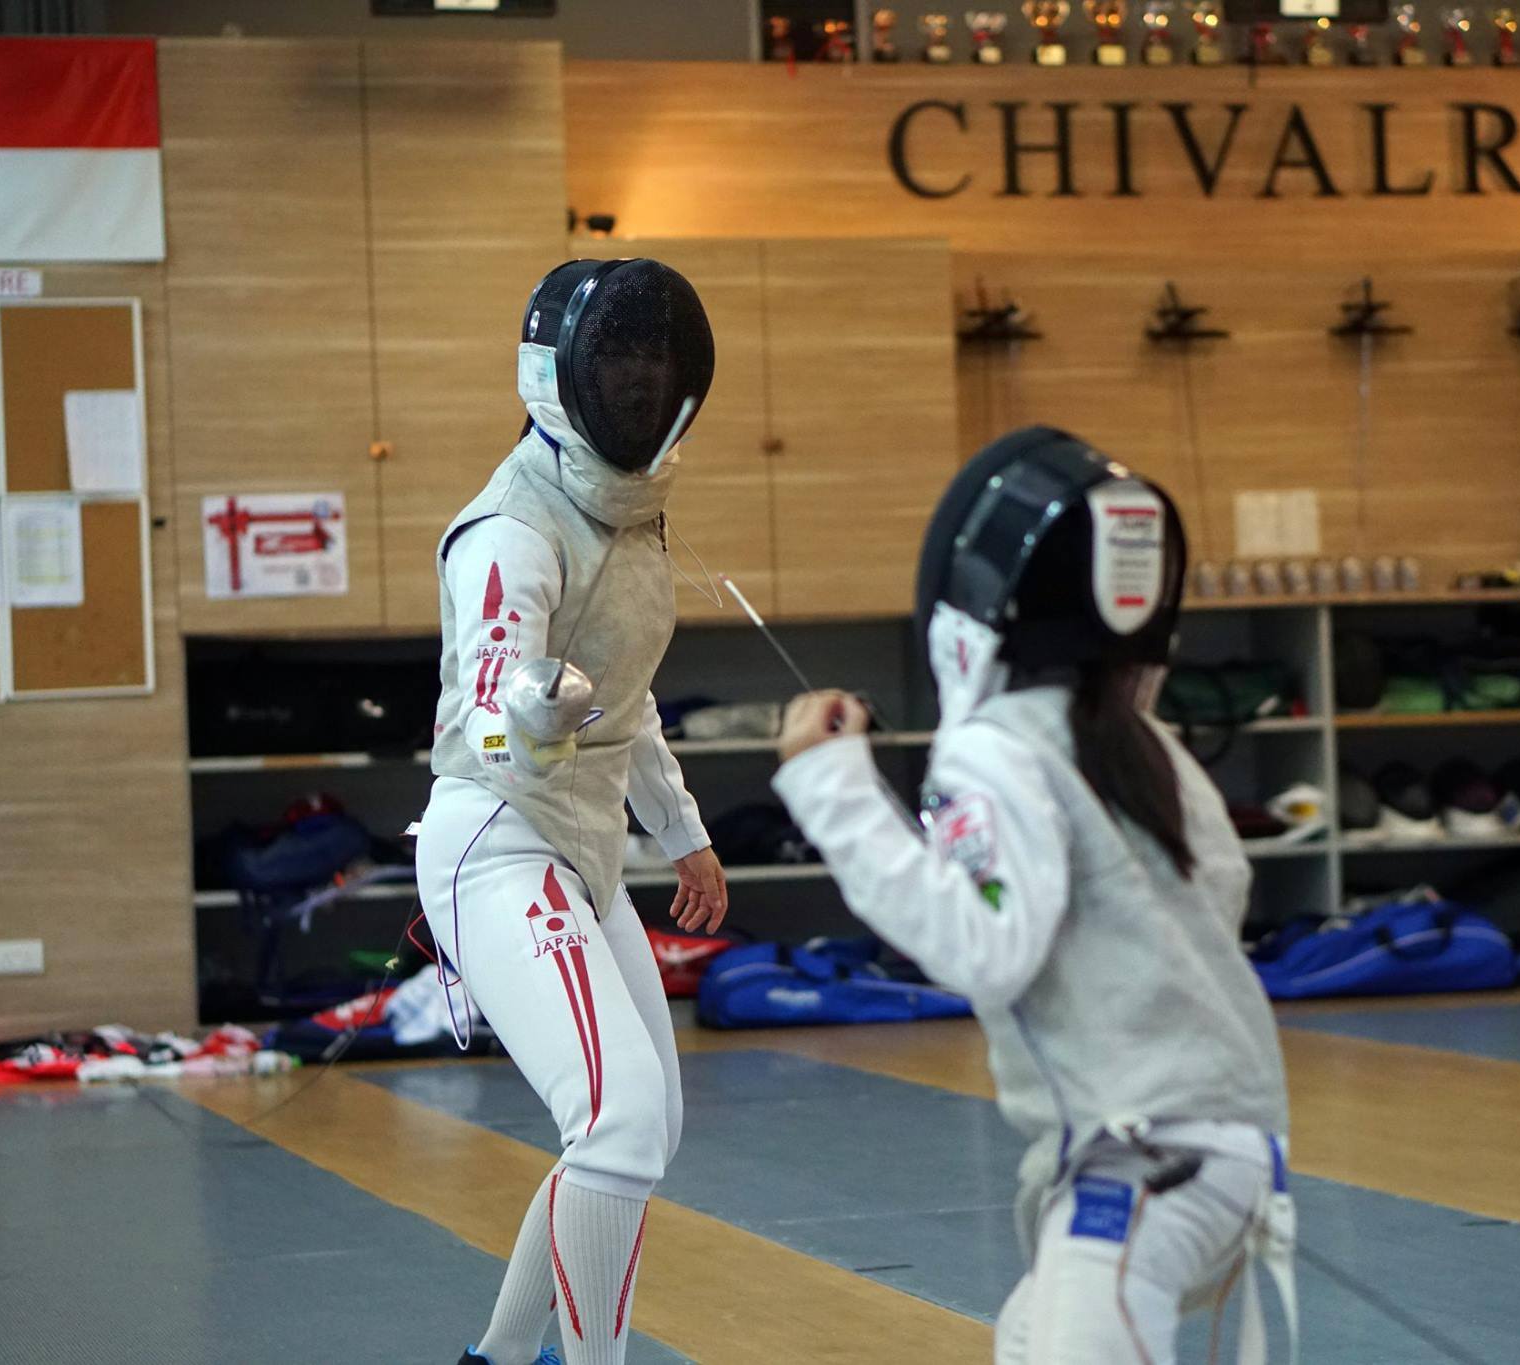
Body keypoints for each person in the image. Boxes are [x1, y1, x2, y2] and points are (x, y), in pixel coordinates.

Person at [769, 426, 1297, 1365]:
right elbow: (1222, 884)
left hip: (1142, 1169)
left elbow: (984, 946)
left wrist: (832, 785)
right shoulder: (1145, 742)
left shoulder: (999, 745)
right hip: (1232, 1154)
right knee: (1024, 1340)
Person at [417, 258, 728, 1365]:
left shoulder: (631, 517)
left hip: (584, 853)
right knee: (617, 1125)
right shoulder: (509, 527)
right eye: (620, 367)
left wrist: (681, 834)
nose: (641, 389)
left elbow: (631, 705)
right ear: (564, 377)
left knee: (647, 1128)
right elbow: (493, 700)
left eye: (655, 367)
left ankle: (496, 1362)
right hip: (498, 841)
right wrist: (533, 710)